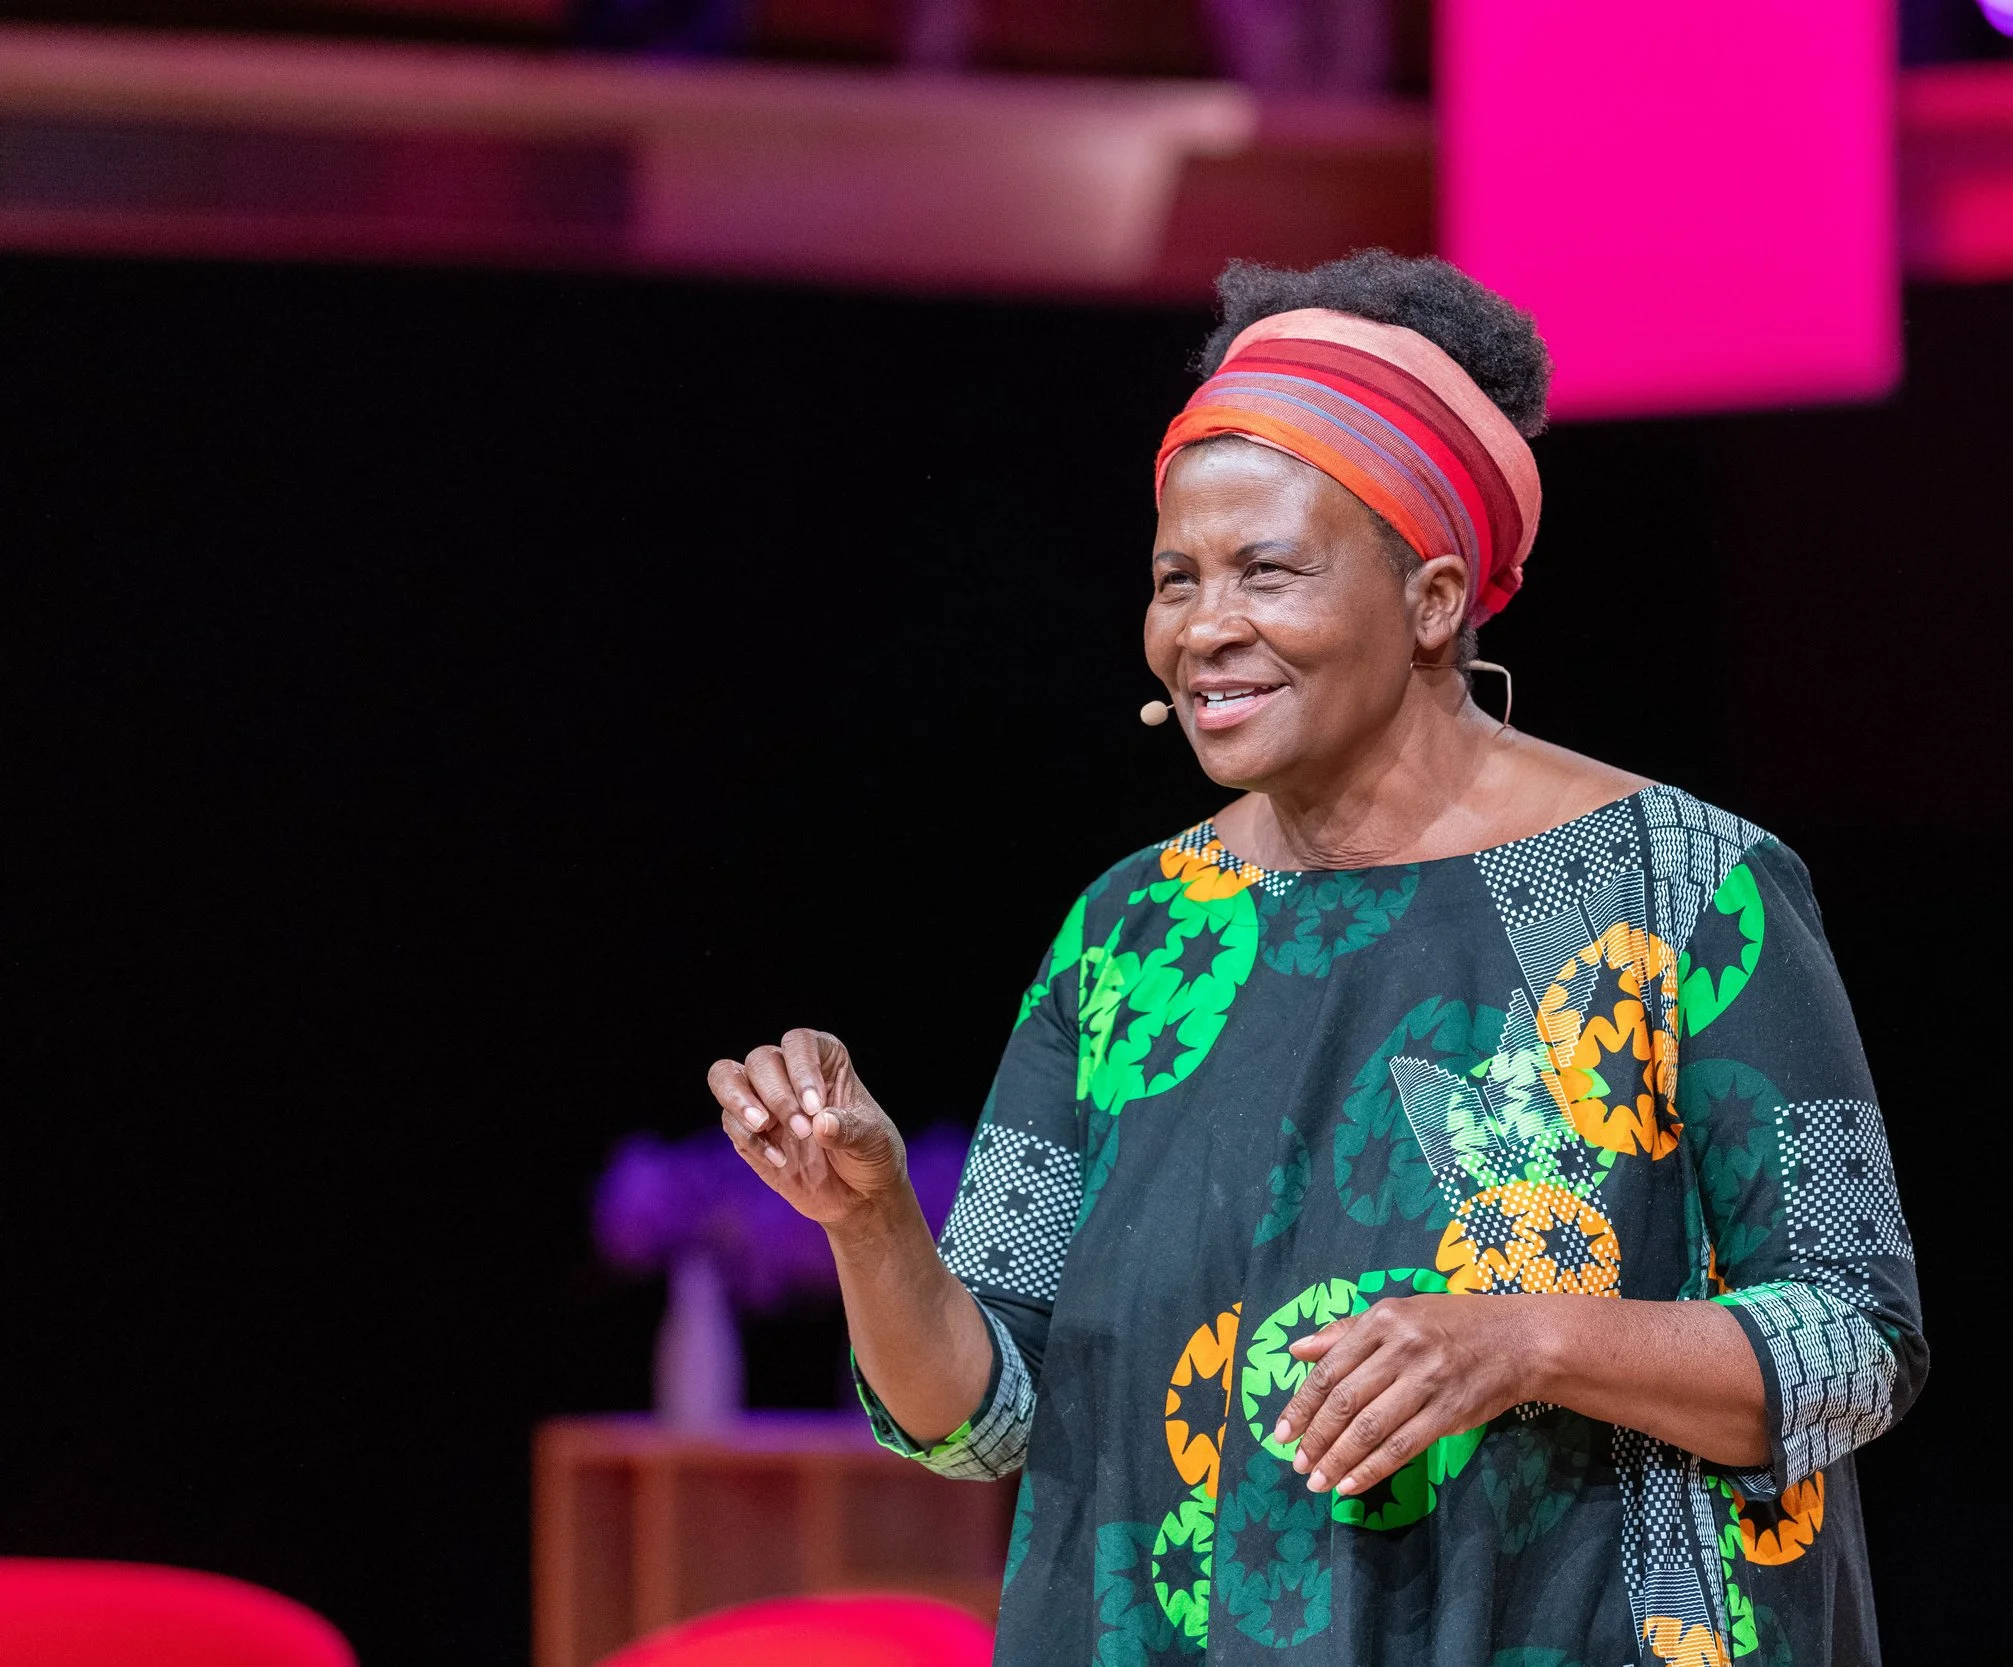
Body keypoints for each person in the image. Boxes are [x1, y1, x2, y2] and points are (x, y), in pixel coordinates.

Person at [708, 251, 1926, 1667]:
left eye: (1267, 572)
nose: (1204, 628)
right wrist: (870, 1226)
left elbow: (1858, 1344)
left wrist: (1526, 1339)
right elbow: (986, 1423)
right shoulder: (1135, 933)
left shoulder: (1687, 890)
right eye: (1175, 579)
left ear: (1433, 599)